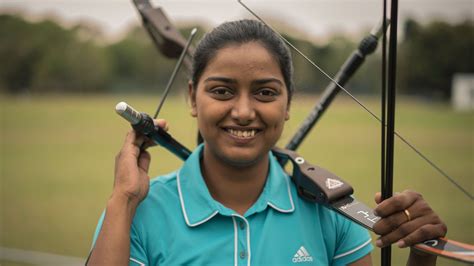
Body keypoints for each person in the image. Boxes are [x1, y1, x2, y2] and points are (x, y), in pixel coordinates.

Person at [87, 19, 447, 265]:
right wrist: (123, 200)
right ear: (193, 98)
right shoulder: (137, 211)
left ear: (288, 103)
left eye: (265, 92)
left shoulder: (333, 213)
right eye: (222, 91)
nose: (243, 112)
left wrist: (422, 255)